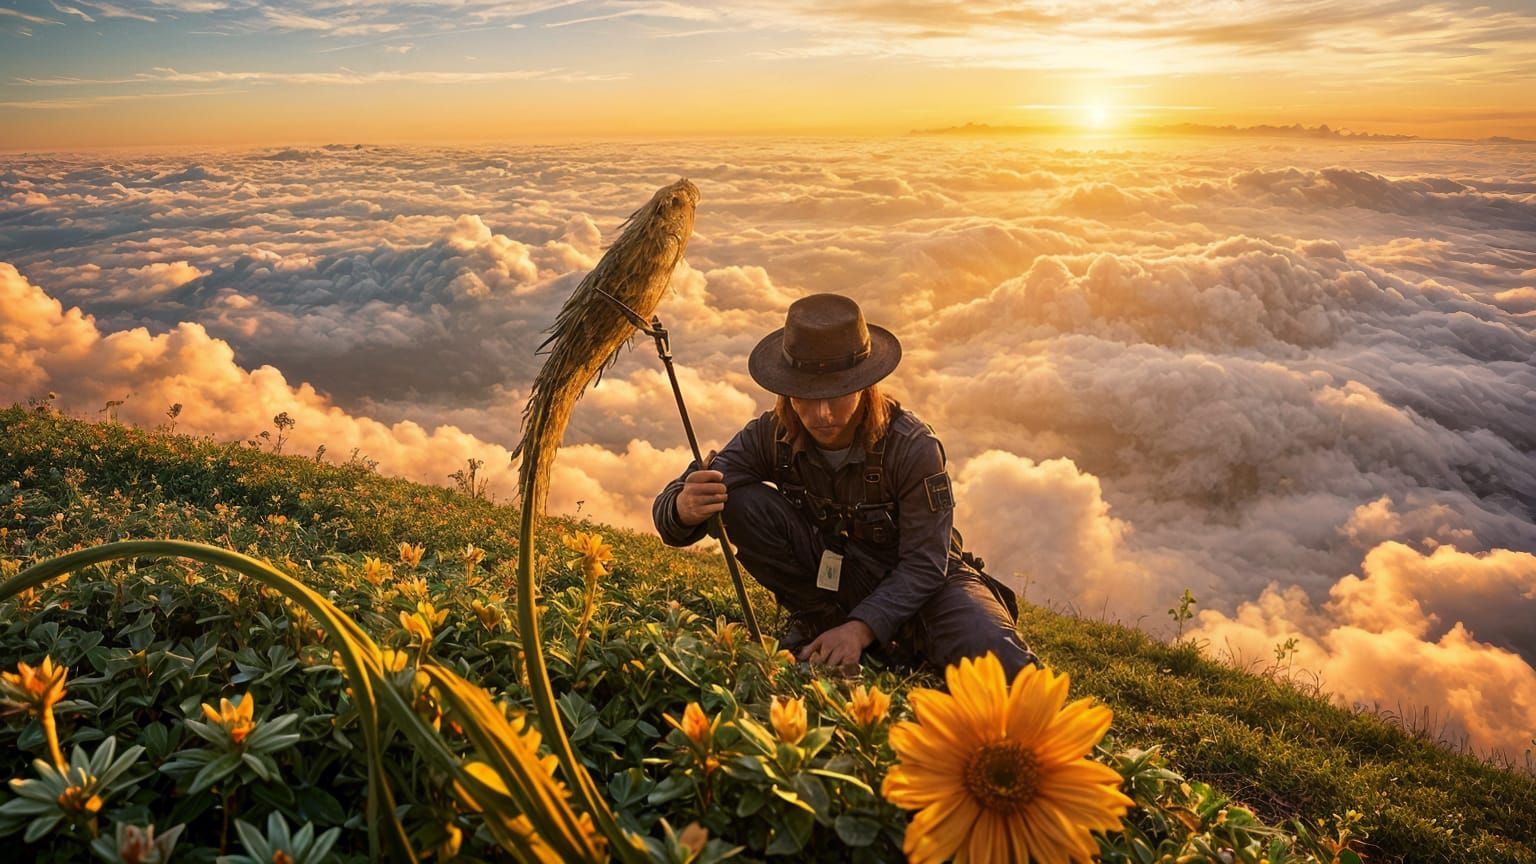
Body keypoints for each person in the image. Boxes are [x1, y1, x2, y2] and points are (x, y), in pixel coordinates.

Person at [652, 293, 1037, 678]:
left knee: (1006, 665)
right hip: (833, 578)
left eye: (835, 396)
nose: (821, 414)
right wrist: (682, 509)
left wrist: (862, 627)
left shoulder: (913, 447)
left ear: (864, 385)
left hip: (925, 586)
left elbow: (925, 564)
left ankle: (876, 636)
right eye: (806, 396)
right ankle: (819, 623)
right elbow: (692, 486)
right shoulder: (772, 434)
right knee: (738, 499)